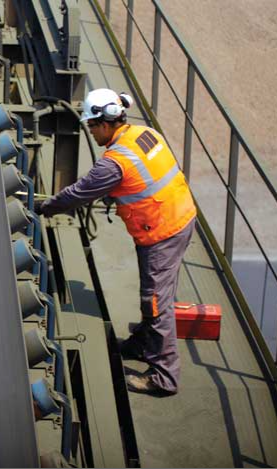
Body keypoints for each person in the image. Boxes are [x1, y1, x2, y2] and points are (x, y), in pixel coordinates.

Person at [35, 88, 197, 396]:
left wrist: (45, 206)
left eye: (93, 126)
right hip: (180, 217)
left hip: (161, 233)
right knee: (155, 294)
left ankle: (164, 378)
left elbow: (78, 194)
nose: (91, 132)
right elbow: (145, 174)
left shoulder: (113, 163)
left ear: (107, 122)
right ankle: (142, 345)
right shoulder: (144, 134)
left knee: (155, 302)